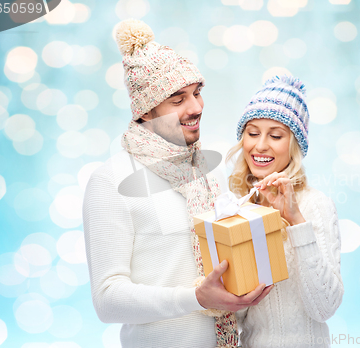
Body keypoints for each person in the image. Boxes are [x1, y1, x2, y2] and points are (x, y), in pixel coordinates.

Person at [82, 19, 271, 348]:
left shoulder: (207, 172)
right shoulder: (111, 181)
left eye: (197, 93)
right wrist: (196, 298)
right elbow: (107, 300)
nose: (196, 107)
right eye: (177, 99)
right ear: (146, 111)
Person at [226, 75, 344, 348]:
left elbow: (324, 308)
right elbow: (237, 315)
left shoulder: (315, 205)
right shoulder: (237, 206)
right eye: (252, 133)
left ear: (294, 146)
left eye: (276, 135)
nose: (261, 145)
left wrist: (295, 220)